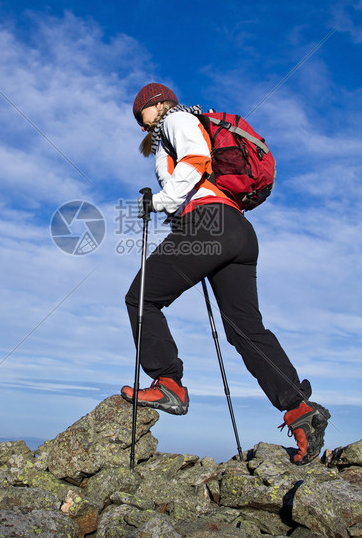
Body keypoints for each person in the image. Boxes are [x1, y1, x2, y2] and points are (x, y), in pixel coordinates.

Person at [121, 82, 330, 465]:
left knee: (142, 298)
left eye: (141, 115)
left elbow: (196, 159)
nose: (141, 125)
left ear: (156, 104)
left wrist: (160, 201)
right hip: (237, 230)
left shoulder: (175, 120)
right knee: (244, 330)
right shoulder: (194, 120)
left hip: (209, 225)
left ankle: (169, 383)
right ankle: (301, 412)